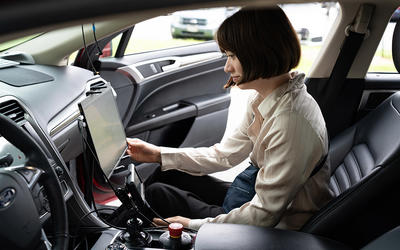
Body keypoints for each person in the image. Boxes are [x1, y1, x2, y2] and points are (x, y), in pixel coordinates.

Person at [126, 6, 333, 231]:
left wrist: (191, 225)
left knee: (158, 194)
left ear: (259, 52)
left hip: (273, 227)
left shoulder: (290, 122)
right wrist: (157, 154)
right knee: (168, 172)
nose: (226, 67)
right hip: (250, 192)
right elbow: (226, 155)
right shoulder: (265, 96)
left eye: (232, 56)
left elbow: (262, 215)